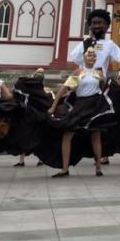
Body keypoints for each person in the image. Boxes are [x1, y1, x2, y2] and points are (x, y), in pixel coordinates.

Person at [48, 47, 107, 178]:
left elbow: (106, 91)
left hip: (94, 105)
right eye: (89, 55)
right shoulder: (79, 72)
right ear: (84, 58)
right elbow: (64, 89)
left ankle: (98, 167)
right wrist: (53, 105)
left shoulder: (99, 73)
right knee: (68, 133)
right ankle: (65, 168)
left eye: (94, 56)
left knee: (96, 135)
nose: (92, 57)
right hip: (80, 105)